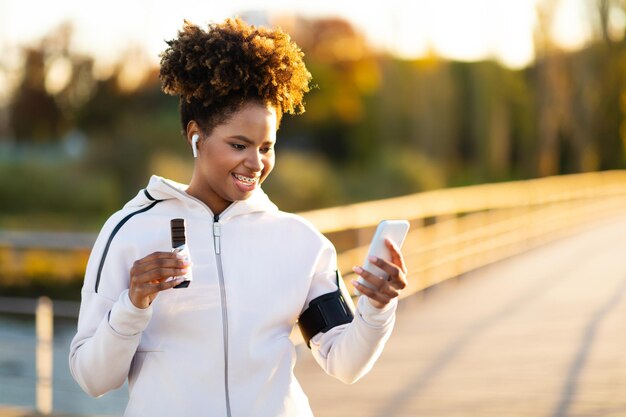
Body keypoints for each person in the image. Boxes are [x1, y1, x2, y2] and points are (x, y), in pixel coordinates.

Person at [69, 17, 407, 417]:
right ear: (196, 136)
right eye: (239, 144)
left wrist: (377, 308)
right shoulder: (131, 231)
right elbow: (93, 378)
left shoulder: (299, 241)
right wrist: (133, 304)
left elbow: (344, 362)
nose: (256, 162)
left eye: (267, 146)